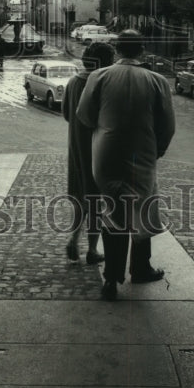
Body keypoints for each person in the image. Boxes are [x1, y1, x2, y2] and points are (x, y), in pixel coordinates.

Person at [77, 28, 175, 302]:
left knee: (113, 213)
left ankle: (111, 278)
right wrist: (157, 151)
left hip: (107, 156)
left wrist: (106, 129)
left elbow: (84, 116)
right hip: (142, 155)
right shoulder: (157, 81)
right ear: (142, 50)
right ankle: (140, 268)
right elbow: (168, 125)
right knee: (142, 210)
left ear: (117, 50)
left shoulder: (99, 76)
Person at [62, 40, 116, 265]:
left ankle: (74, 238)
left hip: (76, 146)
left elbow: (66, 114)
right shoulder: (103, 83)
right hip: (98, 147)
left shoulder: (73, 82)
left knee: (79, 197)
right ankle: (92, 249)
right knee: (95, 202)